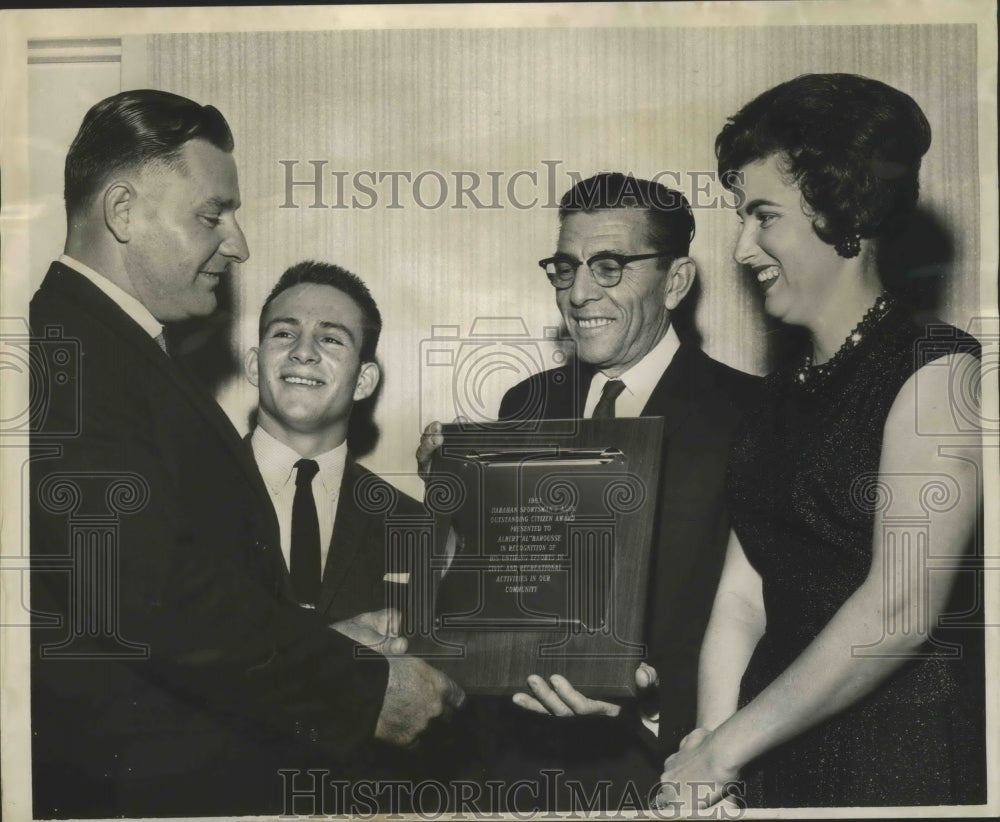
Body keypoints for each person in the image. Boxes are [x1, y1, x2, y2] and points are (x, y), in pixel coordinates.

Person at [29, 89, 463, 819]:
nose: (238, 244)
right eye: (212, 215)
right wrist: (354, 685)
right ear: (123, 211)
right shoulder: (70, 356)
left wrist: (319, 642)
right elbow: (149, 595)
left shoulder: (109, 350)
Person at [656, 73, 985, 811]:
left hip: (898, 762)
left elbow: (900, 609)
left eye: (763, 216)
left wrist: (724, 751)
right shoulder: (779, 394)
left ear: (843, 211)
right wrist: (713, 752)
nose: (742, 248)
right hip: (771, 750)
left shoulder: (942, 371)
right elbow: (743, 596)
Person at [418, 172, 760, 808]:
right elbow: (503, 586)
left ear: (676, 281)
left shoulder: (752, 415)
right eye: (564, 267)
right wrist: (455, 500)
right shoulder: (525, 403)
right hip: (515, 769)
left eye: (609, 267)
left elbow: (761, 614)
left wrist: (650, 701)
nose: (577, 293)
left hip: (659, 773)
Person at [246, 260, 424, 624]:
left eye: (330, 339)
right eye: (283, 333)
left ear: (364, 380)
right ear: (254, 363)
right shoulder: (183, 494)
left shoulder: (412, 525)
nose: (304, 352)